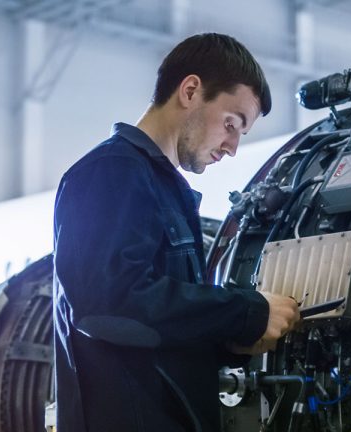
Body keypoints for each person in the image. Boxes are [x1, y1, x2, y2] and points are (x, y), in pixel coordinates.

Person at [53, 33, 301, 432]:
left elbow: (159, 327)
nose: (232, 146)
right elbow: (108, 304)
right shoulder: (111, 172)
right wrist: (244, 311)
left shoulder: (164, 189)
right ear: (190, 91)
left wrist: (231, 341)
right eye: (231, 124)